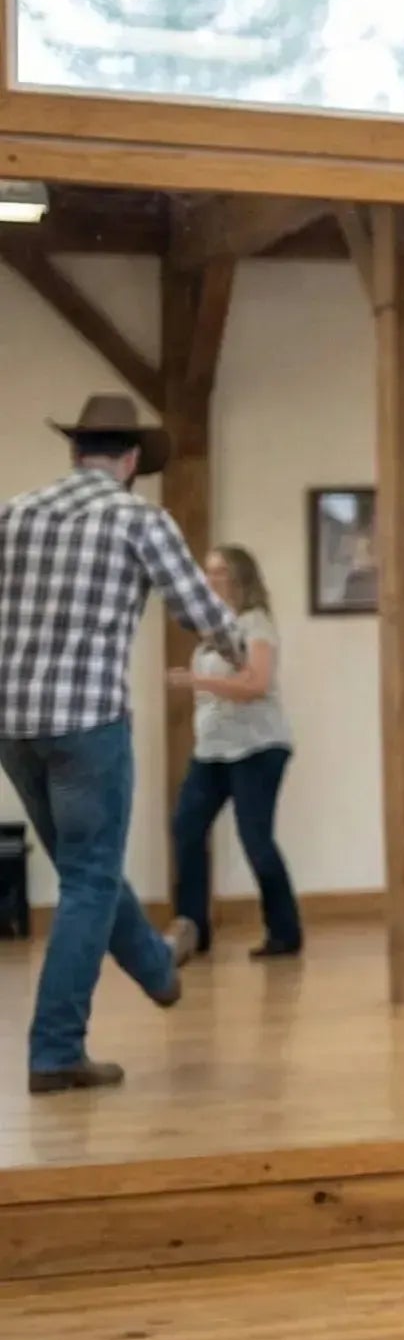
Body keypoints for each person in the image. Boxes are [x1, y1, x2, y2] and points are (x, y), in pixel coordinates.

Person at [0, 393, 240, 1093]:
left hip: (13, 726)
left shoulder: (15, 512)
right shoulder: (139, 516)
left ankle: (158, 970)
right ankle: (54, 1051)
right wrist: (236, 644)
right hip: (87, 723)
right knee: (90, 877)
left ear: (75, 451)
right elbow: (200, 609)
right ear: (131, 460)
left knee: (86, 872)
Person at [167, 544, 303, 961]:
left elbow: (256, 684)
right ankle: (193, 929)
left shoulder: (255, 624)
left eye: (220, 572)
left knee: (255, 839)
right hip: (212, 751)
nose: (211, 580)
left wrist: (197, 682)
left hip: (258, 748)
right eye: (207, 572)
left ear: (242, 577)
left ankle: (285, 933)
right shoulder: (215, 629)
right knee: (186, 828)